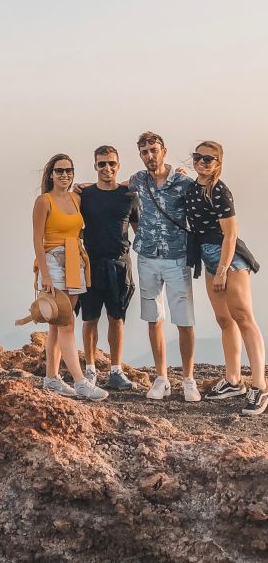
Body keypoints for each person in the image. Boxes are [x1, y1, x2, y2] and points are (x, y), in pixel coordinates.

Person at [186, 141, 267, 415]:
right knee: (224, 319)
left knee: (243, 316)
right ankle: (233, 380)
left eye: (209, 159)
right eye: (198, 157)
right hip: (208, 258)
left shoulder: (219, 191)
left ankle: (259, 385)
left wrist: (222, 270)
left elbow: (230, 234)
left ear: (218, 163)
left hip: (228, 259)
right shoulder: (193, 187)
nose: (202, 162)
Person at [128, 132, 200, 402]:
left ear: (164, 150)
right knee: (153, 317)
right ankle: (161, 378)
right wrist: (84, 186)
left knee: (184, 319)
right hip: (146, 256)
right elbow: (114, 187)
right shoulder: (138, 180)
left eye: (154, 150)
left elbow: (202, 203)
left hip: (176, 256)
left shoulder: (183, 182)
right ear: (141, 155)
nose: (150, 155)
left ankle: (188, 379)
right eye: (145, 152)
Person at [32, 153, 108, 401]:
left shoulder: (76, 198)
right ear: (51, 175)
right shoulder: (44, 201)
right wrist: (44, 274)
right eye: (59, 171)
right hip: (53, 260)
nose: (64, 174)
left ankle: (52, 378)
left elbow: (103, 189)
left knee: (57, 324)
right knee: (66, 324)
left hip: (75, 259)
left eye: (69, 170)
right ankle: (80, 381)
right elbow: (37, 239)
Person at [77, 145, 138, 390]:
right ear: (95, 166)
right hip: (91, 263)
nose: (107, 168)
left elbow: (139, 228)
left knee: (117, 317)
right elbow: (70, 221)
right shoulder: (85, 195)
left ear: (118, 165)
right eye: (102, 164)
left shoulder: (129, 196)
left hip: (120, 263)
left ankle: (116, 370)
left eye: (111, 163)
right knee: (89, 318)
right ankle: (90, 370)